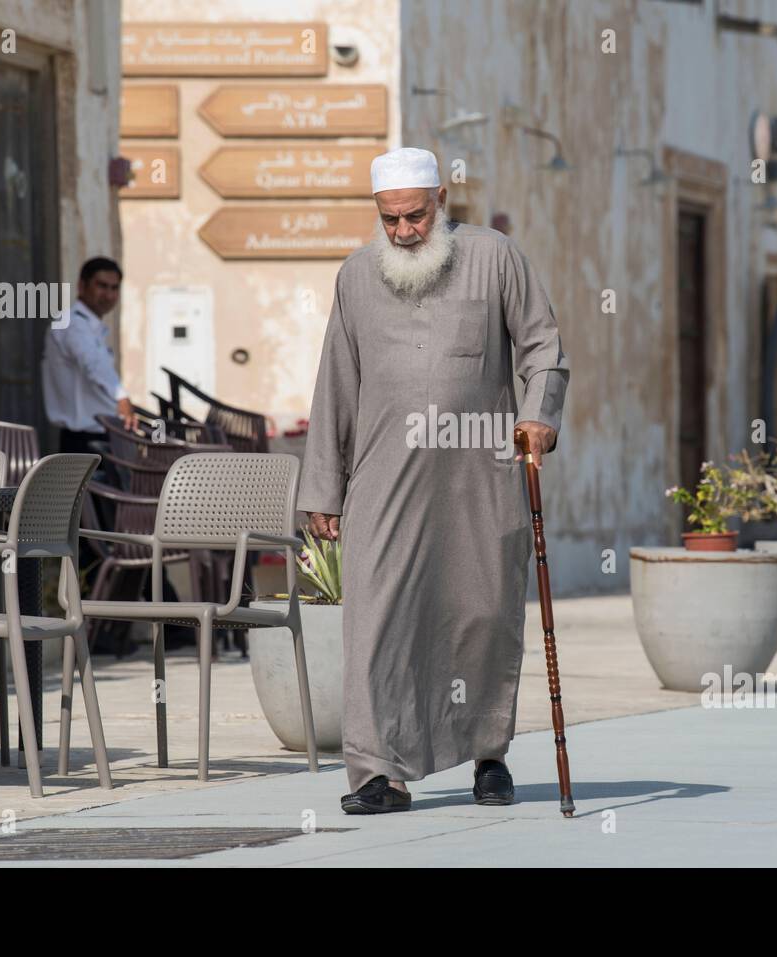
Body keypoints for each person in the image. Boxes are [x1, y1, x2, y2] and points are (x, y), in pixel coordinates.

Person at [298, 147, 570, 814]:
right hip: (383, 476)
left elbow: (543, 348)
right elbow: (337, 382)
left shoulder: (494, 257)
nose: (404, 232)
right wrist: (322, 489)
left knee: (480, 613)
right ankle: (375, 771)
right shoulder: (357, 275)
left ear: (441, 201)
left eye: (415, 217)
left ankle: (488, 756)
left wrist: (537, 418)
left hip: (479, 475)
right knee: (376, 620)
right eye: (390, 220)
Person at [42, 256, 137, 454]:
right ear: (82, 286)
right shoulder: (73, 323)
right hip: (84, 440)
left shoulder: (89, 325)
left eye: (114, 288)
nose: (109, 295)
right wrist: (121, 397)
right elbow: (93, 364)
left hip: (100, 435)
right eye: (101, 286)